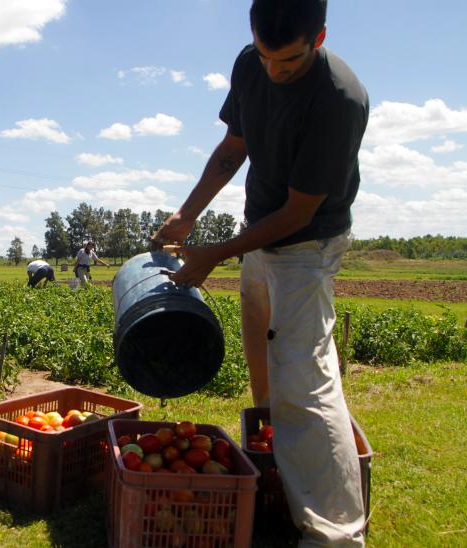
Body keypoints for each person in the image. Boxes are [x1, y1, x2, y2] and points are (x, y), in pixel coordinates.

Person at [153, 0, 368, 545]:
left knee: (304, 376)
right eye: (267, 57)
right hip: (260, 230)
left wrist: (215, 253)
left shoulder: (338, 99)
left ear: (318, 37)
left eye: (290, 61)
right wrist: (188, 212)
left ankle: (335, 535)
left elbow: (299, 213)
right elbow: (233, 149)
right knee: (263, 366)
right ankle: (276, 471)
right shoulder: (252, 62)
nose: (275, 71)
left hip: (308, 242)